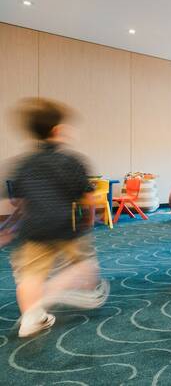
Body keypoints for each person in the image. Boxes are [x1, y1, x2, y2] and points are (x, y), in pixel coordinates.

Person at [9, 97, 108, 338]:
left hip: (33, 229)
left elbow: (19, 201)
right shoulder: (71, 161)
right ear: (58, 130)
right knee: (86, 269)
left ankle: (31, 319)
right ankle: (55, 291)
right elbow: (89, 198)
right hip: (65, 226)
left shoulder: (23, 164)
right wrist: (89, 220)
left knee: (29, 275)